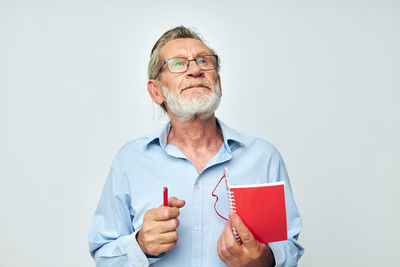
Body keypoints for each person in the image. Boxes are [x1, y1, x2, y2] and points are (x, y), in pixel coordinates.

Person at [88, 26, 304, 267]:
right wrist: (141, 245)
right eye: (178, 64)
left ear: (218, 84)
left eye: (203, 61)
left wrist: (264, 259)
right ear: (156, 91)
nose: (196, 69)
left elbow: (290, 247)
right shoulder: (129, 160)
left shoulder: (263, 157)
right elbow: (104, 254)